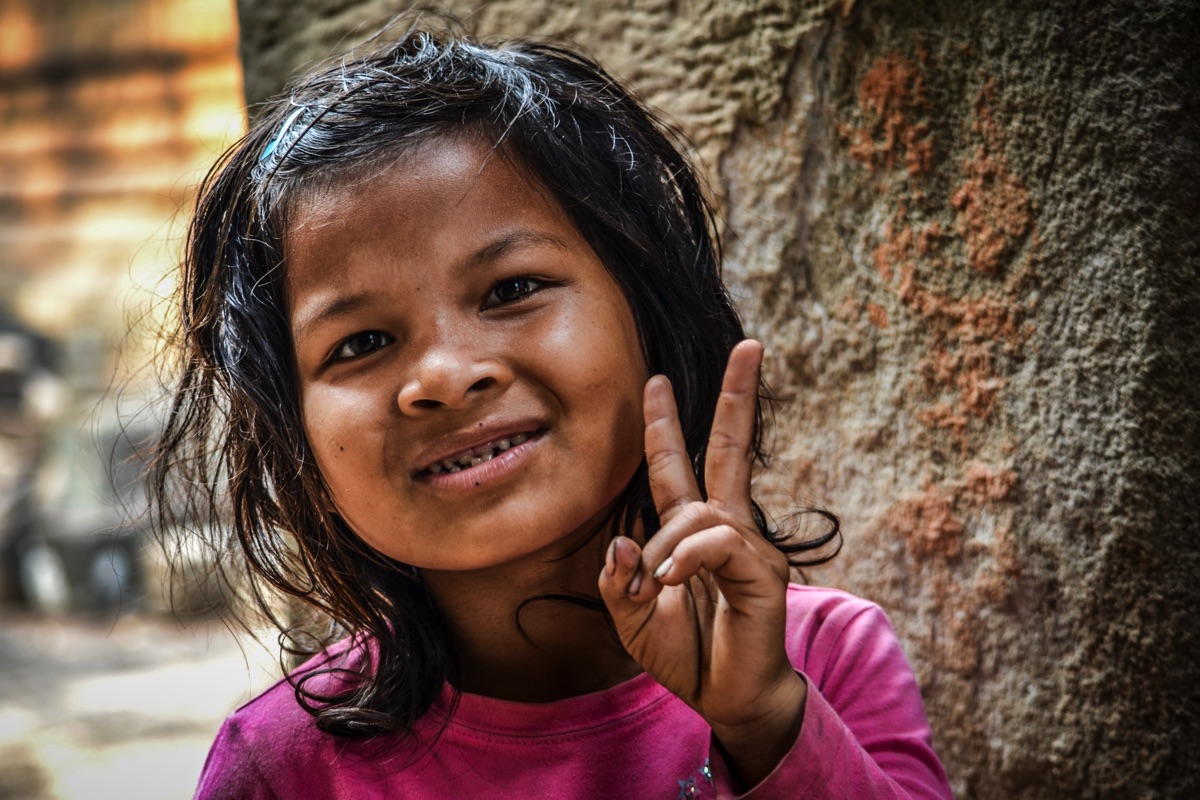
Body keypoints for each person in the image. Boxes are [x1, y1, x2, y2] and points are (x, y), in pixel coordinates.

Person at [154, 22, 953, 799]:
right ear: (295, 443)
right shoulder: (286, 766)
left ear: (650, 316)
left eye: (511, 290)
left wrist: (766, 721)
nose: (444, 375)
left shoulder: (821, 660)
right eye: (361, 343)